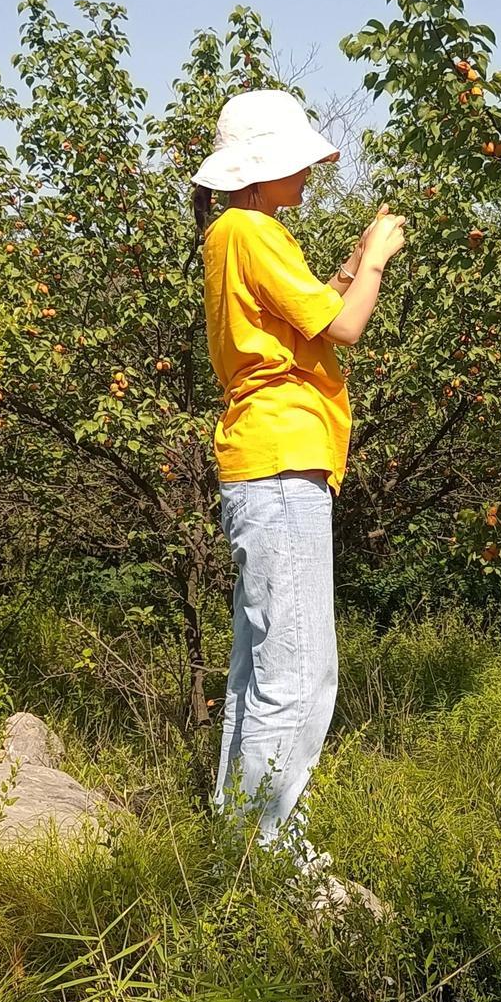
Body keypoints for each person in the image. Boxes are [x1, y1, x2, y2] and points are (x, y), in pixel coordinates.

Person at [191, 88, 406, 868]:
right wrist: (378, 259)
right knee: (300, 673)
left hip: (263, 465)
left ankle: (239, 841)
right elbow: (345, 326)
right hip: (283, 468)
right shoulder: (253, 227)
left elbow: (312, 311)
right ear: (261, 169)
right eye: (299, 161)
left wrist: (349, 263)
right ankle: (267, 858)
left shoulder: (237, 232)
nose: (311, 172)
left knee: (260, 669)